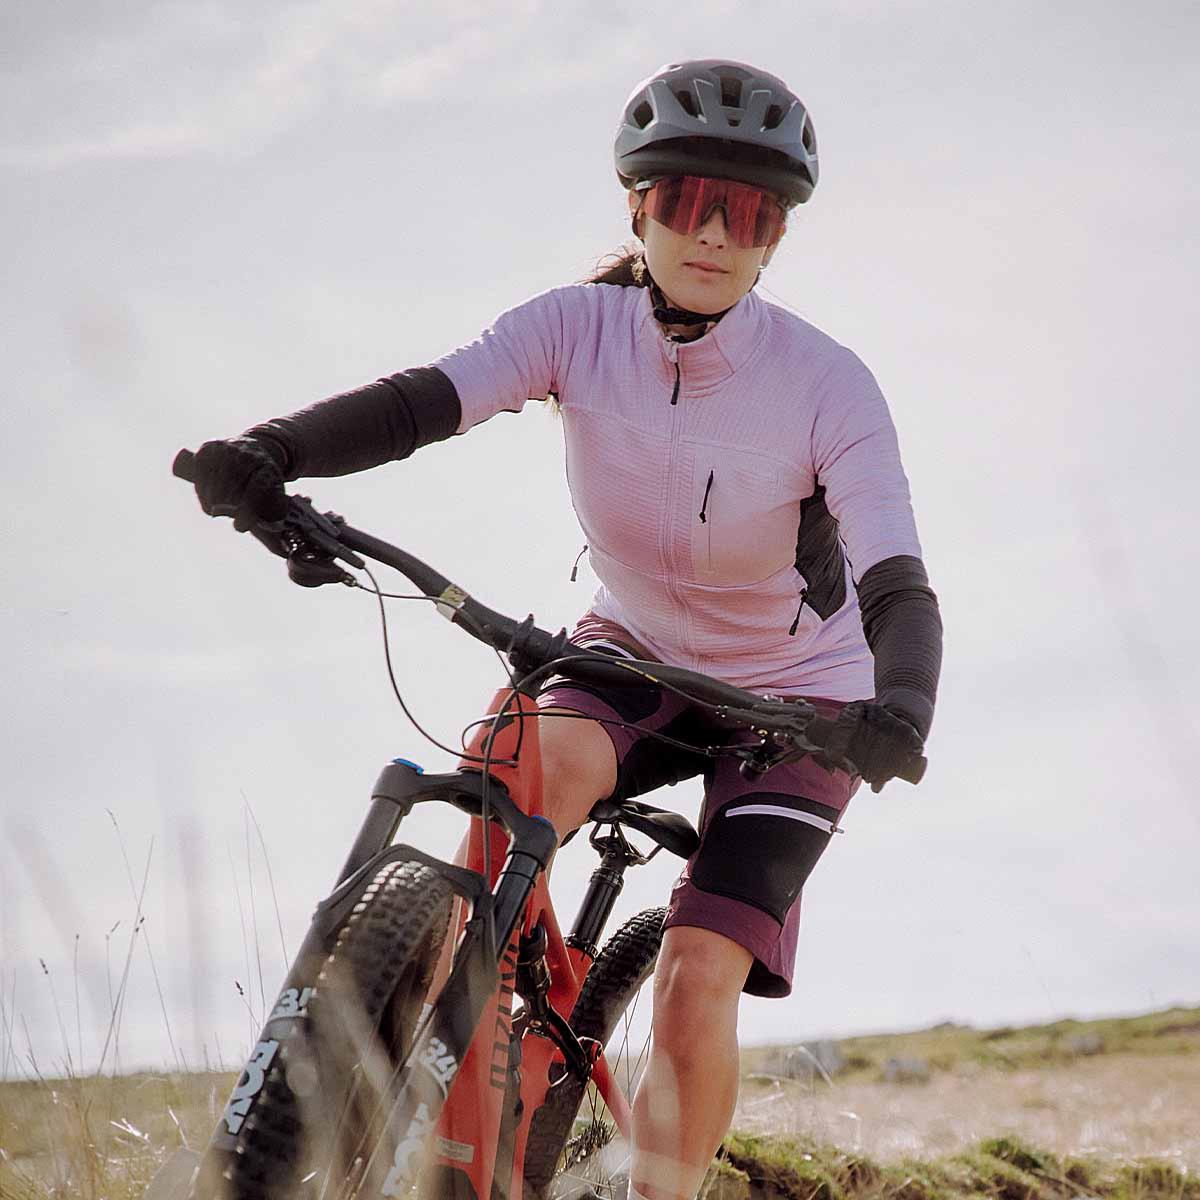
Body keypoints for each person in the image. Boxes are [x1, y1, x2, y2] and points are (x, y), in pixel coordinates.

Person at [187, 59, 942, 1200]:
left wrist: (903, 705)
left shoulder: (827, 385)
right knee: (513, 777)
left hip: (801, 703)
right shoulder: (575, 329)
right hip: (630, 652)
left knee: (696, 975)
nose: (714, 234)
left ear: (777, 236)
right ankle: (426, 1060)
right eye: (689, 201)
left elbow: (894, 576)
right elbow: (425, 400)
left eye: (747, 215)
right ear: (639, 206)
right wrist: (274, 453)